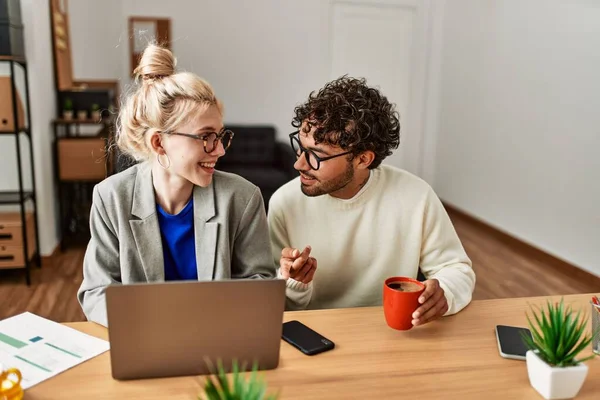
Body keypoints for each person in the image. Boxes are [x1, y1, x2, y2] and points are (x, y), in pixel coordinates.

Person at [77, 44, 275, 327]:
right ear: (159, 142)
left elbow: (260, 283)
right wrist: (154, 322)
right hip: (144, 338)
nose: (219, 150)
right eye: (205, 137)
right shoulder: (111, 197)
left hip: (218, 340)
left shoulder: (242, 198)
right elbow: (96, 292)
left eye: (220, 136)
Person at [268, 76, 476, 327]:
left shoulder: (415, 196)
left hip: (392, 334)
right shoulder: (284, 203)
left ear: (363, 160)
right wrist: (295, 283)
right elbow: (274, 304)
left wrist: (445, 292)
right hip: (314, 336)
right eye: (301, 148)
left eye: (316, 156)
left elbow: (456, 268)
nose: (298, 164)